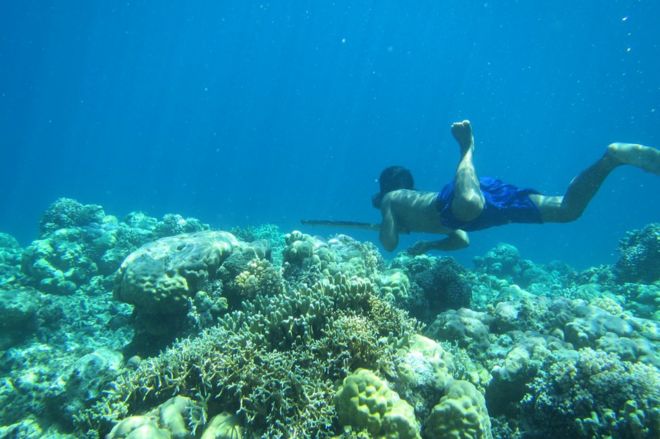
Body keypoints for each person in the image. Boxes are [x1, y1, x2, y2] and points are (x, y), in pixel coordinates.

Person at [372, 120, 660, 254]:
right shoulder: (408, 199)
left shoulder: (392, 199)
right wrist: (430, 246)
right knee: (567, 210)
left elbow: (389, 244)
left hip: (458, 201)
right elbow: (462, 239)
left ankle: (467, 148)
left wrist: (392, 226)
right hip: (476, 209)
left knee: (470, 204)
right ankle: (610, 160)